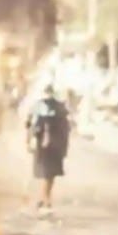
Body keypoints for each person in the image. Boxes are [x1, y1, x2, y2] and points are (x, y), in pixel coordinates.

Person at [27, 85, 70, 213]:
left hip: (49, 143)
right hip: (49, 143)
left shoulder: (43, 106)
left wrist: (28, 140)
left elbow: (31, 125)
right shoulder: (55, 107)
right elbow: (65, 128)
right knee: (48, 173)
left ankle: (45, 198)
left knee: (48, 172)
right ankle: (44, 198)